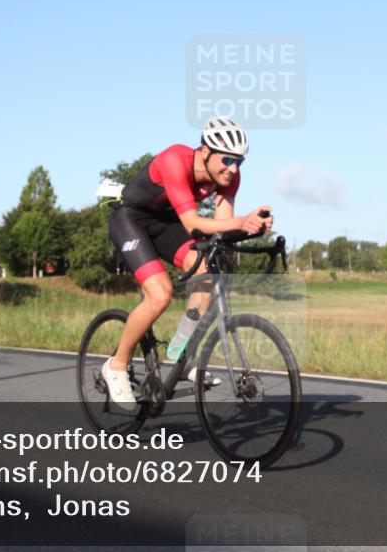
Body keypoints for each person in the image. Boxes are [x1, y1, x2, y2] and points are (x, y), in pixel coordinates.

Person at [103, 117, 273, 409]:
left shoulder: (229, 177)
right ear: (206, 151)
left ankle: (181, 351)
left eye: (239, 162)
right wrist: (241, 222)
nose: (233, 169)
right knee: (160, 294)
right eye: (228, 160)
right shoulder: (175, 159)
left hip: (165, 224)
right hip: (131, 219)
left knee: (208, 272)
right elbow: (193, 222)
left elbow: (221, 226)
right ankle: (116, 365)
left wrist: (252, 226)